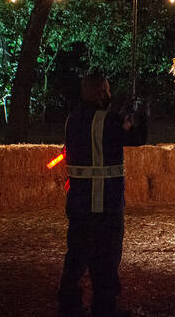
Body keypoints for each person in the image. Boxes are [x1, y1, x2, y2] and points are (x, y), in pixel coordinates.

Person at [57, 73, 147, 317]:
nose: (109, 94)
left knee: (76, 257)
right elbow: (137, 138)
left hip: (77, 204)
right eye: (107, 90)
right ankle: (104, 308)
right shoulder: (108, 121)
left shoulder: (72, 119)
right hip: (105, 204)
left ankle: (68, 306)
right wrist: (138, 113)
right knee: (106, 260)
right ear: (99, 93)